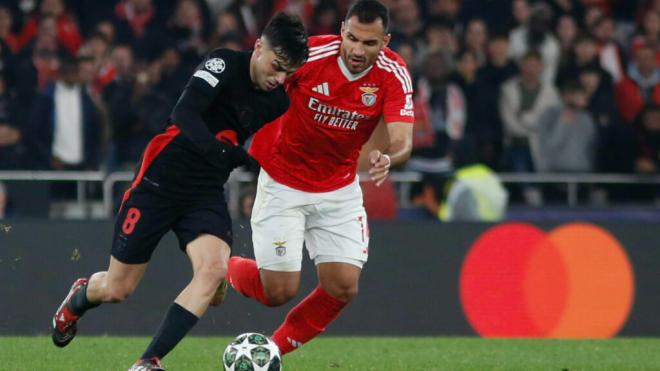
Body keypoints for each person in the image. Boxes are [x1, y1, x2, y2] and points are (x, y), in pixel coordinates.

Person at [50, 13, 308, 371]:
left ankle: (148, 361)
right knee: (117, 288)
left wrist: (247, 163)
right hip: (161, 178)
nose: (279, 79)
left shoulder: (277, 101)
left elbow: (242, 144)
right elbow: (184, 114)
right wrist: (224, 153)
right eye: (277, 66)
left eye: (287, 74)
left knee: (214, 270)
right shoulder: (223, 62)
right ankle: (79, 297)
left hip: (204, 190)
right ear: (259, 46)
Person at [226, 0, 414, 357]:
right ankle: (220, 267)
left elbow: (403, 138)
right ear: (343, 30)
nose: (358, 50)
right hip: (284, 181)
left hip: (339, 189)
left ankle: (270, 353)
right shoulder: (311, 54)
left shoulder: (393, 73)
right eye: (353, 39)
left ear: (385, 41)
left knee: (343, 286)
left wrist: (389, 156)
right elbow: (261, 78)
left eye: (370, 43)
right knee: (276, 292)